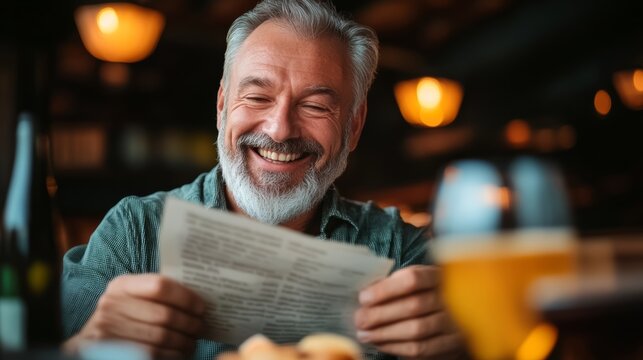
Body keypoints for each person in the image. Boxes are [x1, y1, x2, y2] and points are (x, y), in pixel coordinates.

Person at [61, 0, 464, 359]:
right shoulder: (135, 235)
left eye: (315, 105)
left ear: (354, 127)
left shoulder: (399, 252)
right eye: (257, 97)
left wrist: (464, 342)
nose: (280, 129)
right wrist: (88, 345)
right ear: (222, 107)